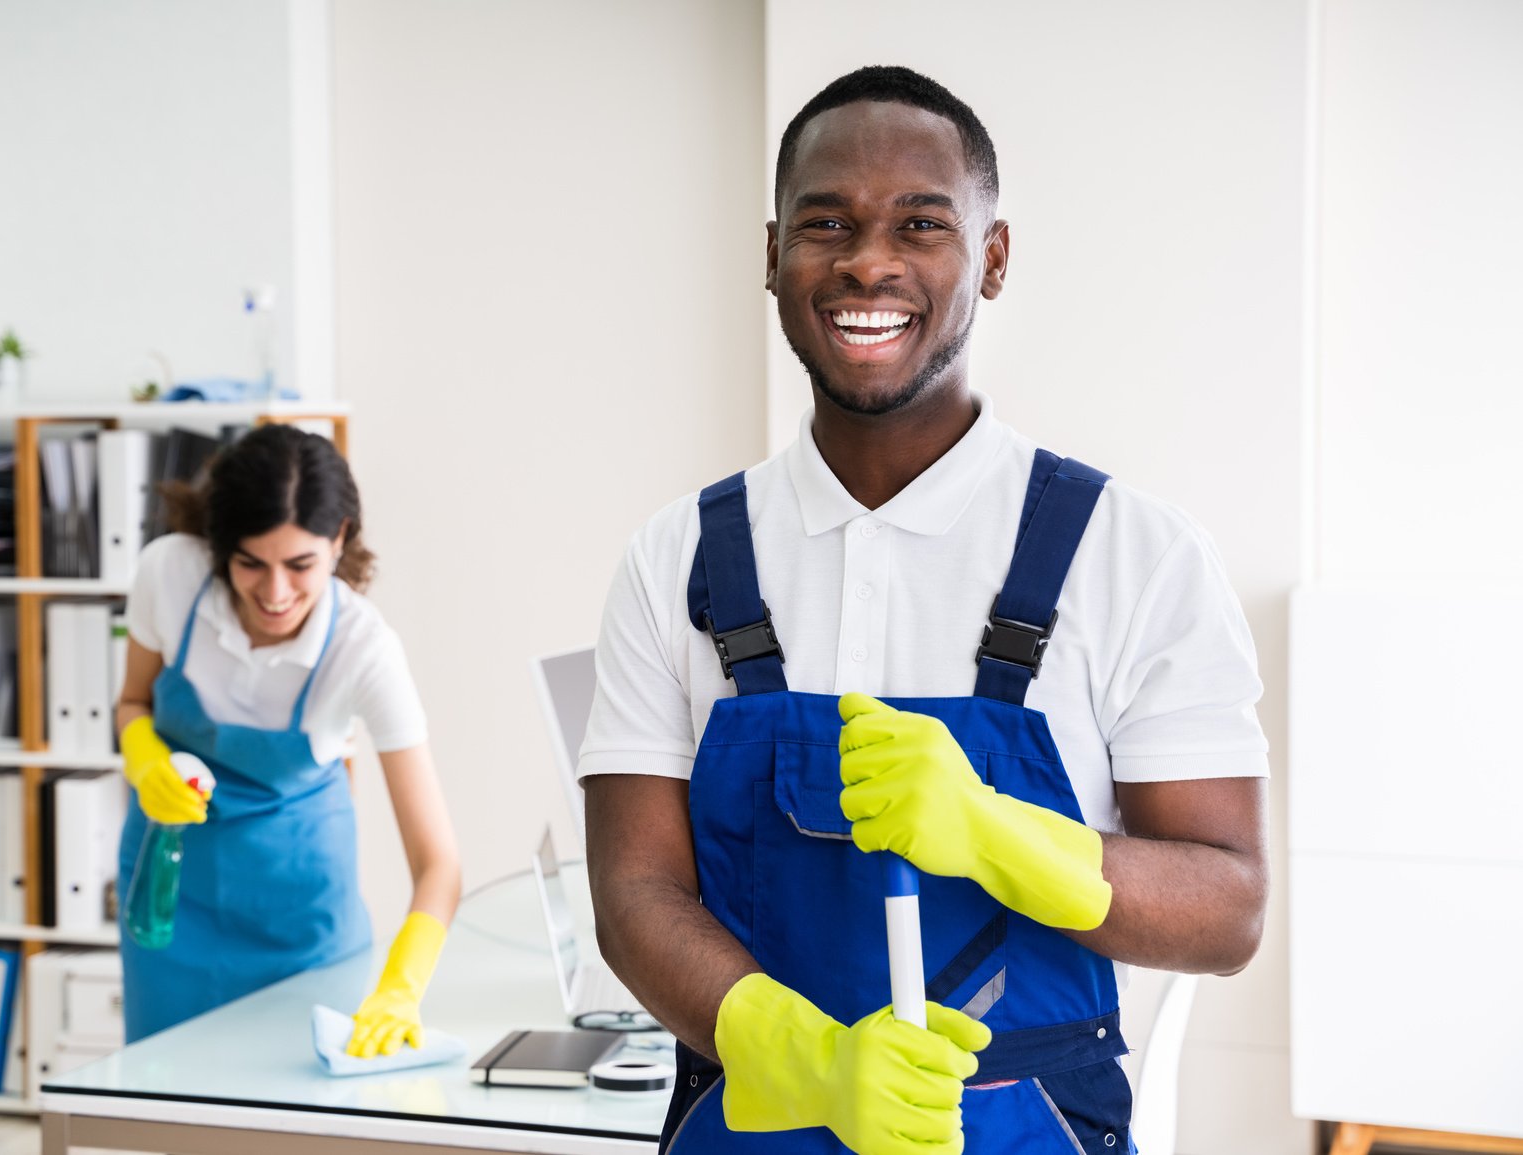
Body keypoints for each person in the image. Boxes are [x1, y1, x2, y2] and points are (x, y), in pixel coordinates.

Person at [580, 65, 1268, 1155]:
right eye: (826, 222)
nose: (867, 259)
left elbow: (1227, 911)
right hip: (749, 1116)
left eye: (920, 223)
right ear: (770, 256)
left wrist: (998, 833)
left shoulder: (1132, 554)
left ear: (990, 260)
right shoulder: (679, 561)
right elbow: (633, 889)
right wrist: (802, 1056)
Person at [113, 423, 460, 1055]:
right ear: (221, 548)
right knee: (169, 1105)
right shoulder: (169, 573)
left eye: (300, 565)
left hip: (298, 915)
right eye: (251, 563)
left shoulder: (363, 649)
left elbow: (438, 863)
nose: (275, 594)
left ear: (338, 541)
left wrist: (401, 987)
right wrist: (145, 763)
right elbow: (132, 701)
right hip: (171, 894)